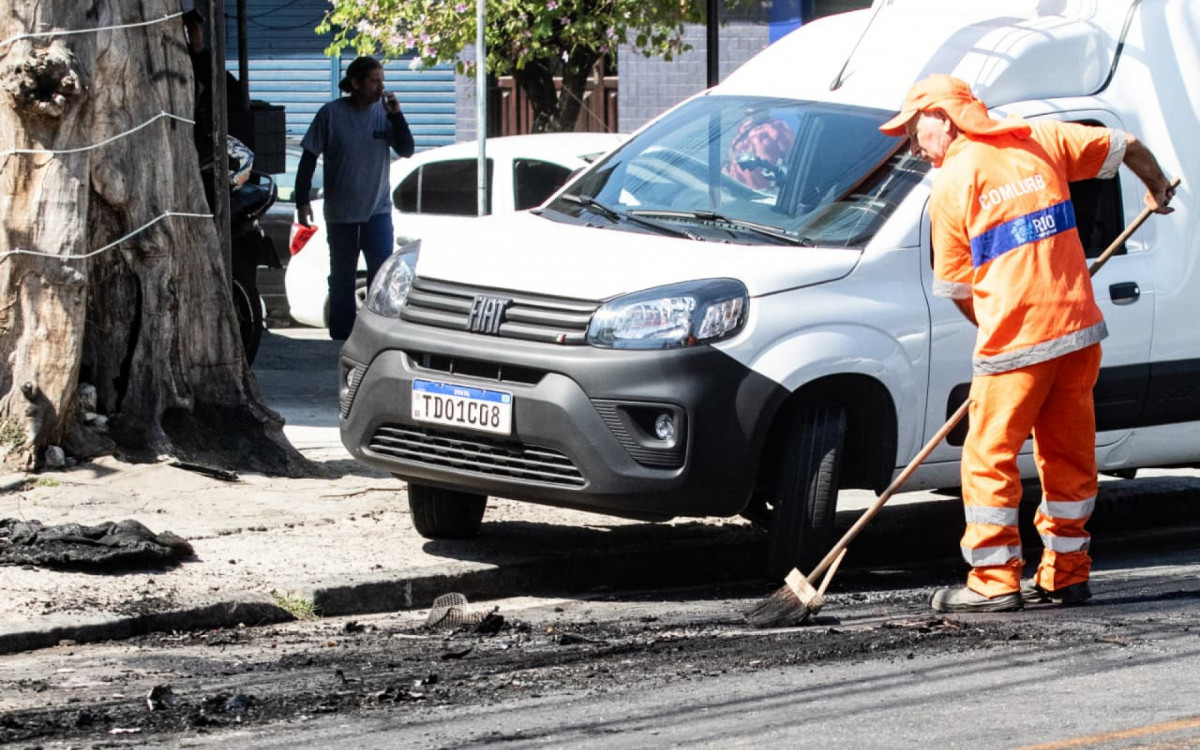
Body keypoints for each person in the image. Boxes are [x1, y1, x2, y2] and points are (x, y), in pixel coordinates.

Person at [878, 74, 1175, 613]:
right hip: (1077, 332)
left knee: (988, 457)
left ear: (943, 117)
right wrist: (1156, 189)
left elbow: (957, 287)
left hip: (1016, 342)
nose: (914, 147)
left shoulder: (952, 182)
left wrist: (998, 328)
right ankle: (1067, 574)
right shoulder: (1040, 138)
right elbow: (1127, 145)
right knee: (1068, 456)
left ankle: (993, 581)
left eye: (914, 132)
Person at [294, 56, 415, 340]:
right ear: (356, 83)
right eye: (374, 81)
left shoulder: (384, 114)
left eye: (382, 81)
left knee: (381, 278)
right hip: (342, 215)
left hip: (377, 213)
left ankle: (375, 336)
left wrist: (397, 116)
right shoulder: (330, 114)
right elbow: (308, 158)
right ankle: (341, 337)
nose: (381, 87)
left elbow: (407, 149)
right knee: (342, 280)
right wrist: (302, 200)